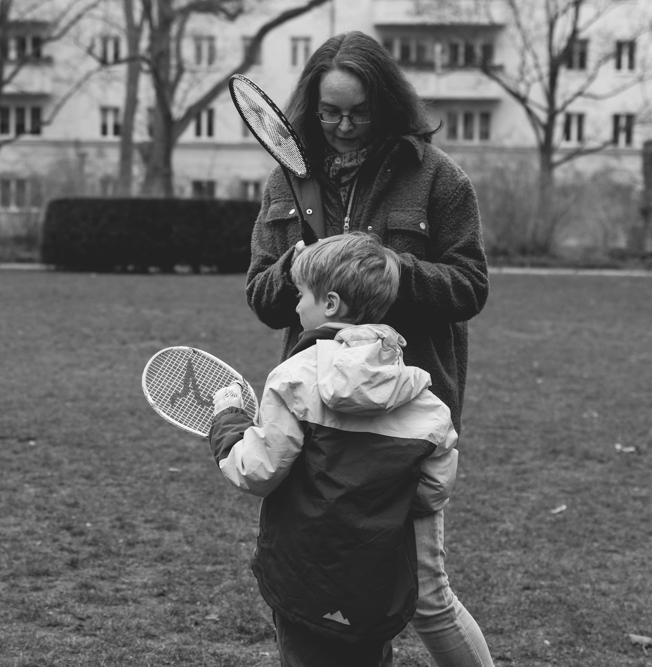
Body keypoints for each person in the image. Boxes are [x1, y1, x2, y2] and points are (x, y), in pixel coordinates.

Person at [244, 32, 493, 667]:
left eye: (358, 112)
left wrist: (390, 270)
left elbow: (470, 287)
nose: (344, 127)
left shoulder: (437, 178)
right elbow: (263, 296)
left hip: (404, 414)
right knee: (316, 586)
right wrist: (296, 272)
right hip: (317, 416)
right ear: (311, 107)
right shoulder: (285, 181)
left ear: (385, 104)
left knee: (428, 595)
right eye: (330, 113)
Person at [210, 233, 460, 667]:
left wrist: (228, 420)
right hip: (378, 582)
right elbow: (433, 492)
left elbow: (256, 471)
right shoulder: (426, 401)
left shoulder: (294, 377)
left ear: (329, 304)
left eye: (300, 294)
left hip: (303, 574)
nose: (294, 306)